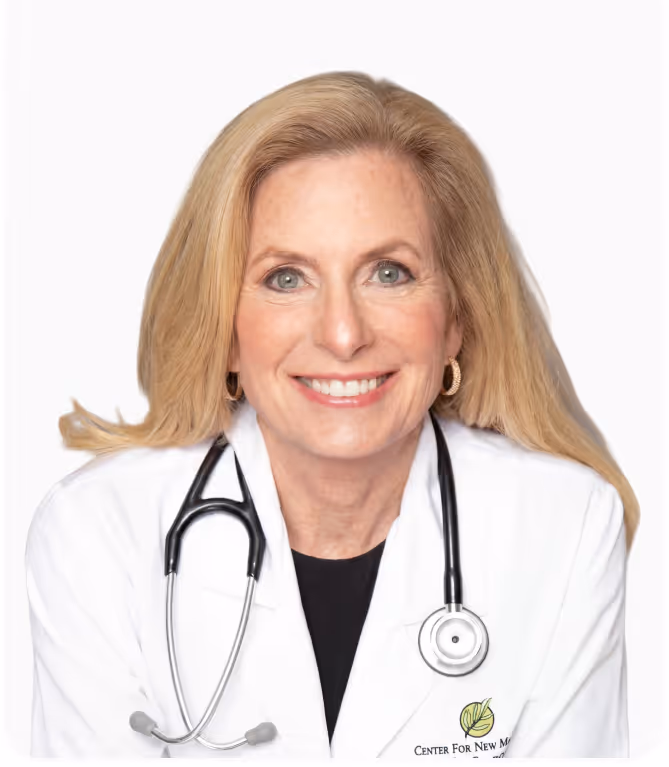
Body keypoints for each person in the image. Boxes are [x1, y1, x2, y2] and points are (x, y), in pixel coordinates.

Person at [25, 71, 639, 759]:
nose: (343, 334)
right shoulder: (99, 532)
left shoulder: (564, 526)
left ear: (456, 319)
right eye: (286, 278)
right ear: (225, 331)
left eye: (389, 273)